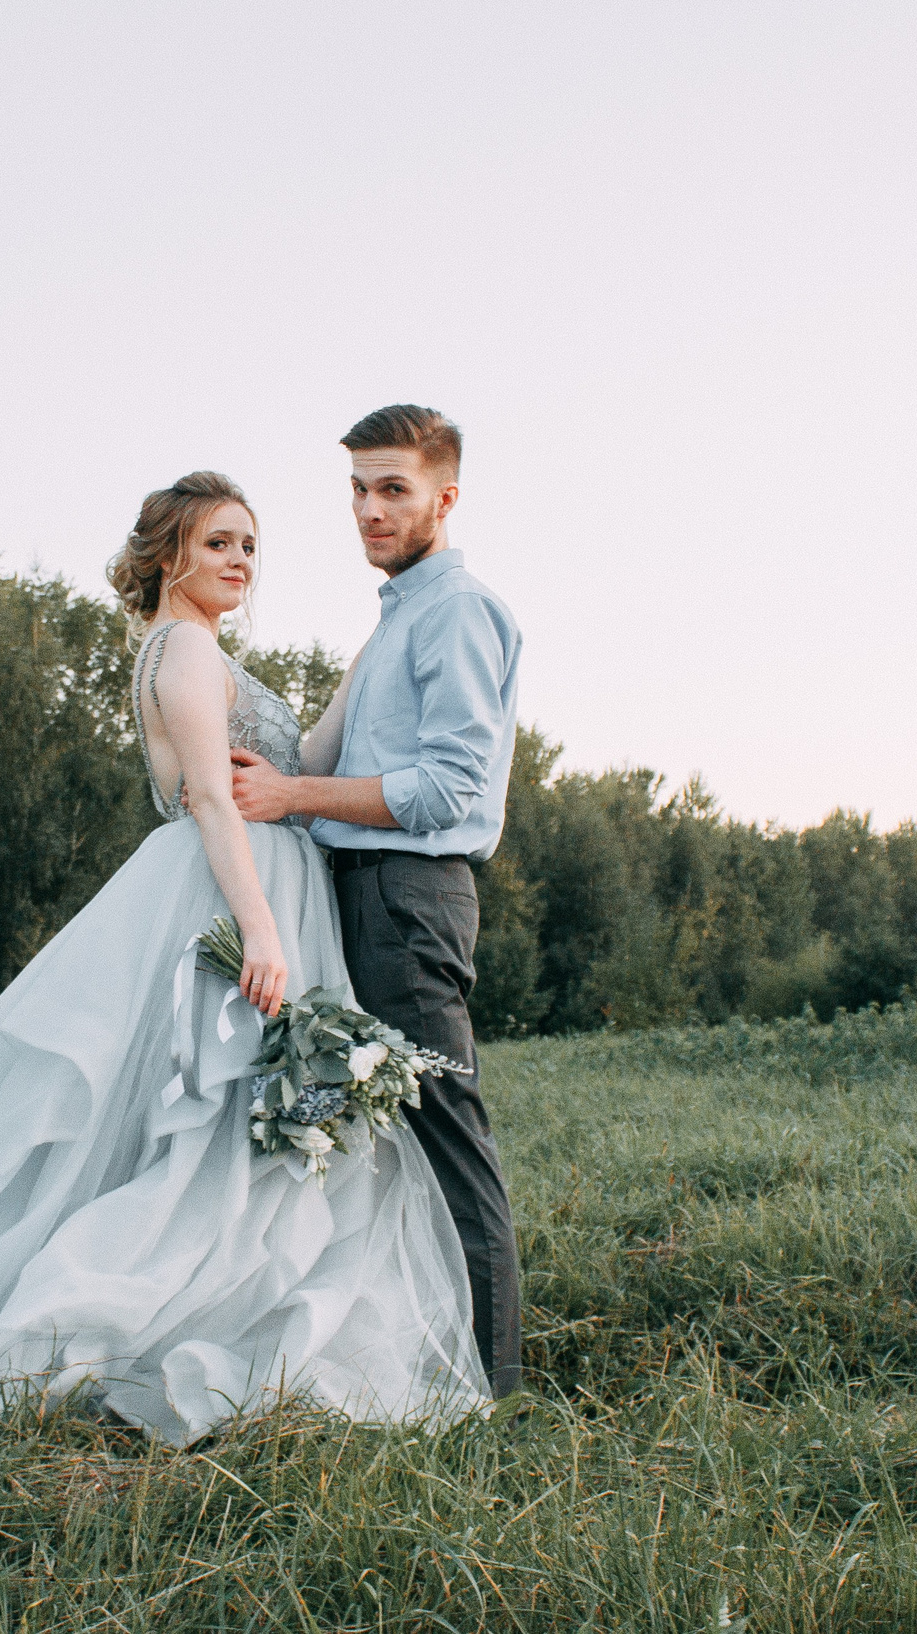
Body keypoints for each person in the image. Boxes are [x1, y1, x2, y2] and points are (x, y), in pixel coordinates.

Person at [0, 472, 488, 1444]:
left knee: (237, 1134)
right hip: (232, 893)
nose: (241, 561)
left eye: (249, 545)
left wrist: (376, 648)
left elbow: (299, 764)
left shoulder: (204, 650)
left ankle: (211, 1309)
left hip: (266, 880)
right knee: (211, 1134)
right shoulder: (180, 648)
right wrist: (260, 930)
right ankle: (119, 1320)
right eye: (220, 542)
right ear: (168, 553)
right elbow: (211, 797)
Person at [228, 405, 524, 1396]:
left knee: (443, 1135)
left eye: (393, 488)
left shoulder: (458, 612)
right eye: (357, 489)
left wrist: (292, 796)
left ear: (446, 497)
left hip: (407, 901)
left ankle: (492, 1388)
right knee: (333, 1124)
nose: (368, 509)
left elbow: (445, 791)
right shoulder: (398, 617)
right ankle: (364, 1353)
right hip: (357, 900)